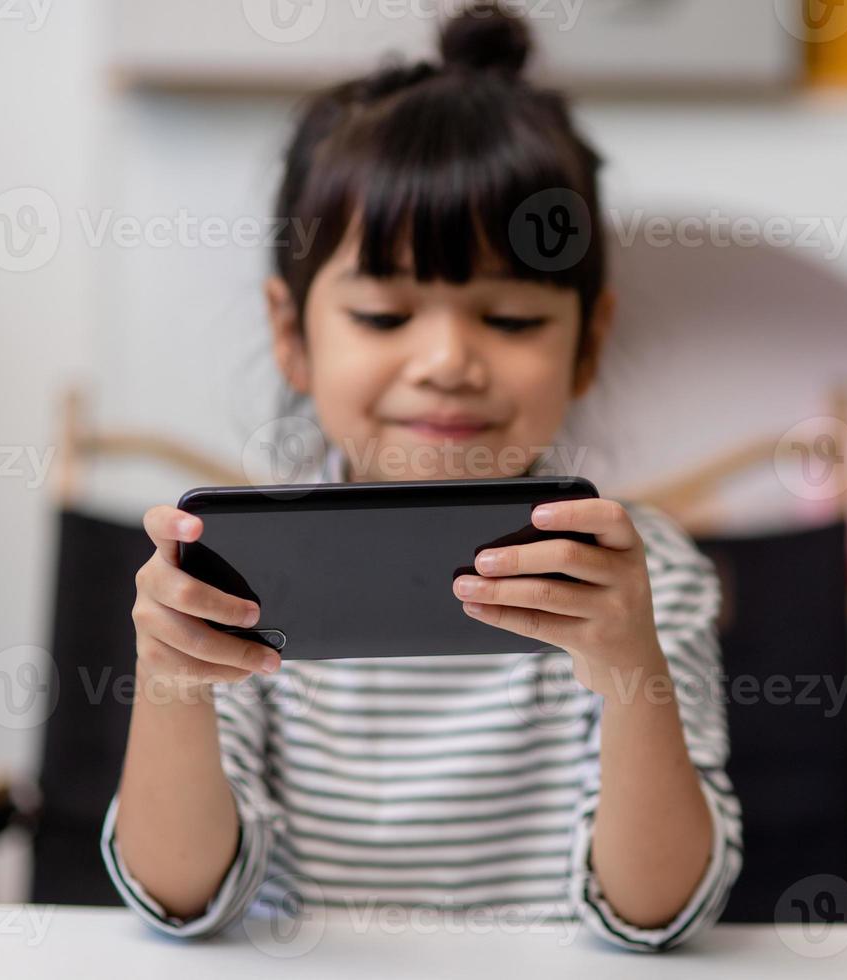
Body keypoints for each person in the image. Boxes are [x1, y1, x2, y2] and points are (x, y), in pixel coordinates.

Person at [100, 2, 742, 953]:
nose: (447, 361)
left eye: (512, 320)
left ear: (587, 340)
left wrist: (631, 670)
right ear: (292, 334)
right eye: (385, 316)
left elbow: (658, 911)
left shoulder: (638, 574)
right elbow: (179, 895)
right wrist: (172, 680)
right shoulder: (234, 570)